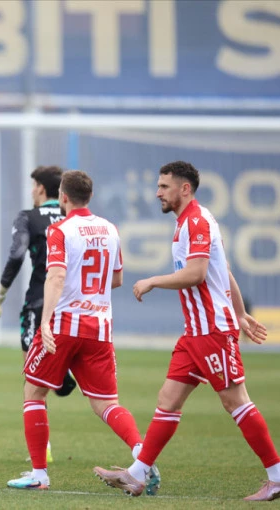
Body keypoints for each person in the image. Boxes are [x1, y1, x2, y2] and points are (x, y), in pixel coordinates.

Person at [94, 161, 278, 501]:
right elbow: (224, 270)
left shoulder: (196, 221)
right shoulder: (190, 221)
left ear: (185, 188)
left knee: (235, 401)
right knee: (168, 399)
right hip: (195, 333)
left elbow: (197, 273)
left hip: (211, 331)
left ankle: (277, 476)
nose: (157, 193)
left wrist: (153, 280)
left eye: (164, 186)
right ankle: (137, 474)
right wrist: (240, 312)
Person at [7, 170, 158, 493]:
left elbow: (56, 277)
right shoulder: (110, 229)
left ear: (63, 197)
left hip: (64, 325)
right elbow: (116, 279)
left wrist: (45, 320)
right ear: (89, 196)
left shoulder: (60, 230)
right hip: (99, 328)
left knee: (34, 392)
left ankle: (39, 475)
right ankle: (142, 456)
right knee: (106, 404)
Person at [0, 166, 75, 463]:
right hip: (74, 305)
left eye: (33, 186)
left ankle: (43, 448)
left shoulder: (29, 217)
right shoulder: (74, 219)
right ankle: (63, 371)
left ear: (40, 188)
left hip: (40, 302)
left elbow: (17, 254)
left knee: (33, 377)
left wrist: (1, 291)